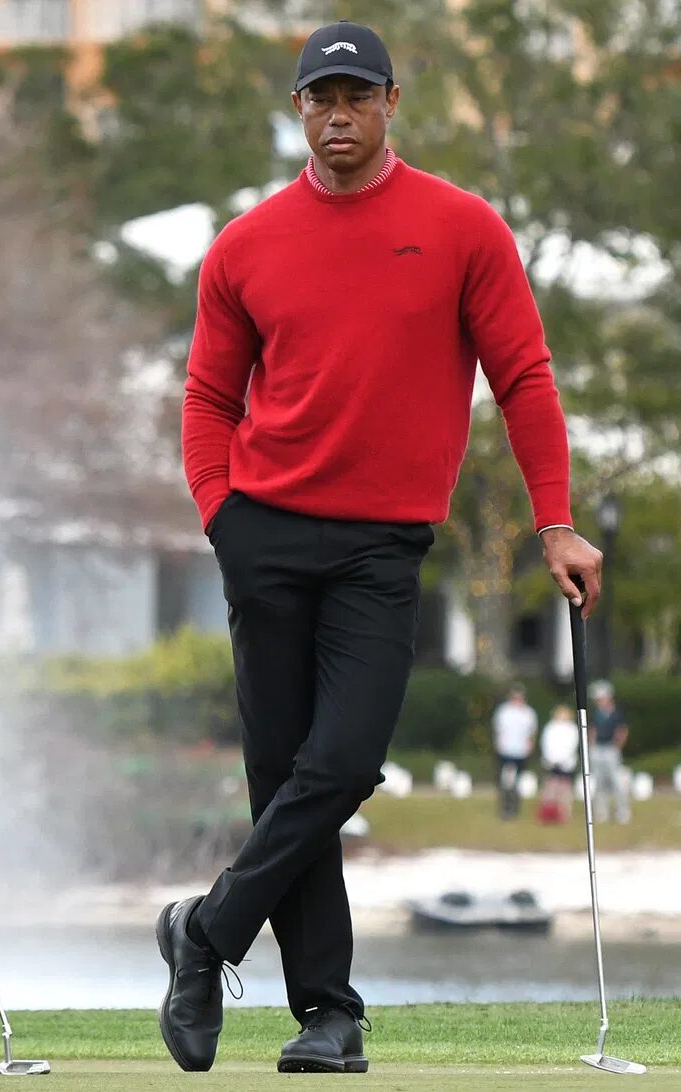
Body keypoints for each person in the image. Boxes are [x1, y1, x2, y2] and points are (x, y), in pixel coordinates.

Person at [156, 19, 604, 1076]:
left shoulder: (462, 227)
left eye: (358, 96)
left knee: (345, 763)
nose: (339, 115)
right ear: (297, 110)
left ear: (392, 102)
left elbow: (524, 377)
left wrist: (554, 520)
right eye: (321, 98)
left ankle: (205, 932)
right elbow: (209, 397)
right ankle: (329, 1014)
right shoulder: (246, 245)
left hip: (380, 546)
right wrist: (221, 514)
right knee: (283, 774)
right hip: (264, 533)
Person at [492, 686, 538, 820]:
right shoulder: (504, 711)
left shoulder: (528, 713)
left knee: (517, 781)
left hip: (520, 752)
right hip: (506, 751)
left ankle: (514, 807)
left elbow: (531, 732)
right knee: (506, 781)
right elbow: (498, 730)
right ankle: (505, 807)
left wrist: (530, 746)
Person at [589, 680, 631, 824]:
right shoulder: (596, 713)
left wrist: (617, 746)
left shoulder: (616, 714)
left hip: (610, 749)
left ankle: (622, 812)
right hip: (598, 749)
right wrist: (592, 745)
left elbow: (622, 731)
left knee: (617, 781)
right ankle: (601, 813)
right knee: (599, 783)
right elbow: (592, 730)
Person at [539, 703, 580, 823]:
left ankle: (564, 812)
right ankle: (548, 812)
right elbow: (546, 743)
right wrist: (551, 758)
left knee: (564, 787)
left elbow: (572, 745)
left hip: (566, 762)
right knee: (551, 786)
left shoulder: (572, 728)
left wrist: (563, 759)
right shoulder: (551, 727)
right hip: (551, 761)